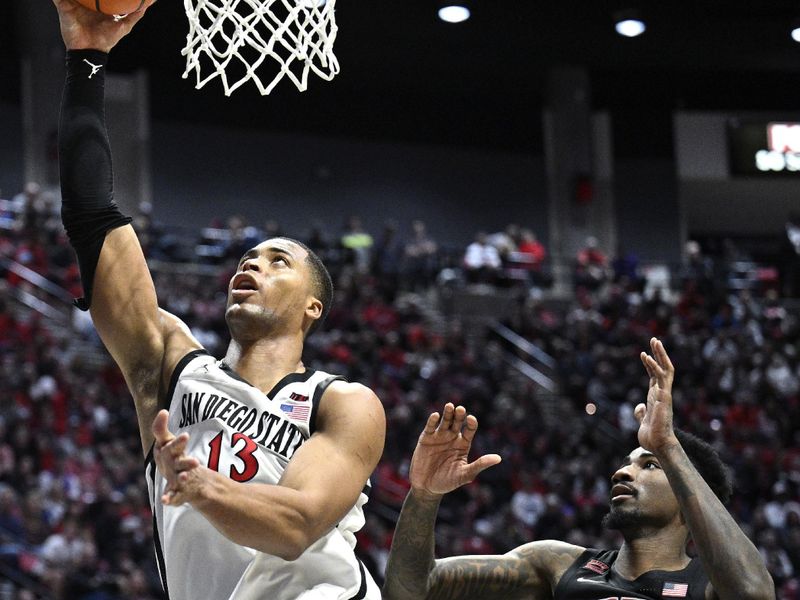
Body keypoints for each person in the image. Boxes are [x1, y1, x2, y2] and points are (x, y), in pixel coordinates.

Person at [51, 1, 385, 598]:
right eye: (245, 260)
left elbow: (298, 523)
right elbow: (91, 217)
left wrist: (203, 487)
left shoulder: (341, 403)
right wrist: (87, 61)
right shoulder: (172, 368)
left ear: (314, 307)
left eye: (278, 261)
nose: (252, 265)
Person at [383, 338, 775, 600]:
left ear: (689, 497)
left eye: (649, 465)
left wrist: (668, 445)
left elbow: (754, 594)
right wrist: (424, 496)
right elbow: (412, 590)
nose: (622, 474)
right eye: (625, 464)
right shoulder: (556, 562)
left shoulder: (708, 584)